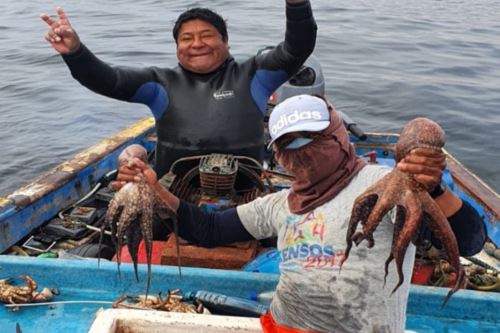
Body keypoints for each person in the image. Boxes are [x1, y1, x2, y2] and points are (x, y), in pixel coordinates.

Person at [127, 94, 486, 333]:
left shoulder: (384, 185)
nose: (300, 151)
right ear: (277, 154)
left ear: (338, 134)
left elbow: (468, 241)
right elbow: (208, 229)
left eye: (311, 138)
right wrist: (154, 190)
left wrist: (432, 188)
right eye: (287, 144)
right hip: (284, 325)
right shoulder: (279, 204)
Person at [41, 1, 317, 183]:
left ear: (226, 42)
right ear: (177, 47)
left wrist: (296, 4)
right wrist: (75, 52)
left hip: (245, 200)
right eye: (186, 38)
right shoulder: (159, 83)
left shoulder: (254, 75)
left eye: (207, 35)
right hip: (172, 201)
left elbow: (297, 47)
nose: (197, 44)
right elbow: (107, 80)